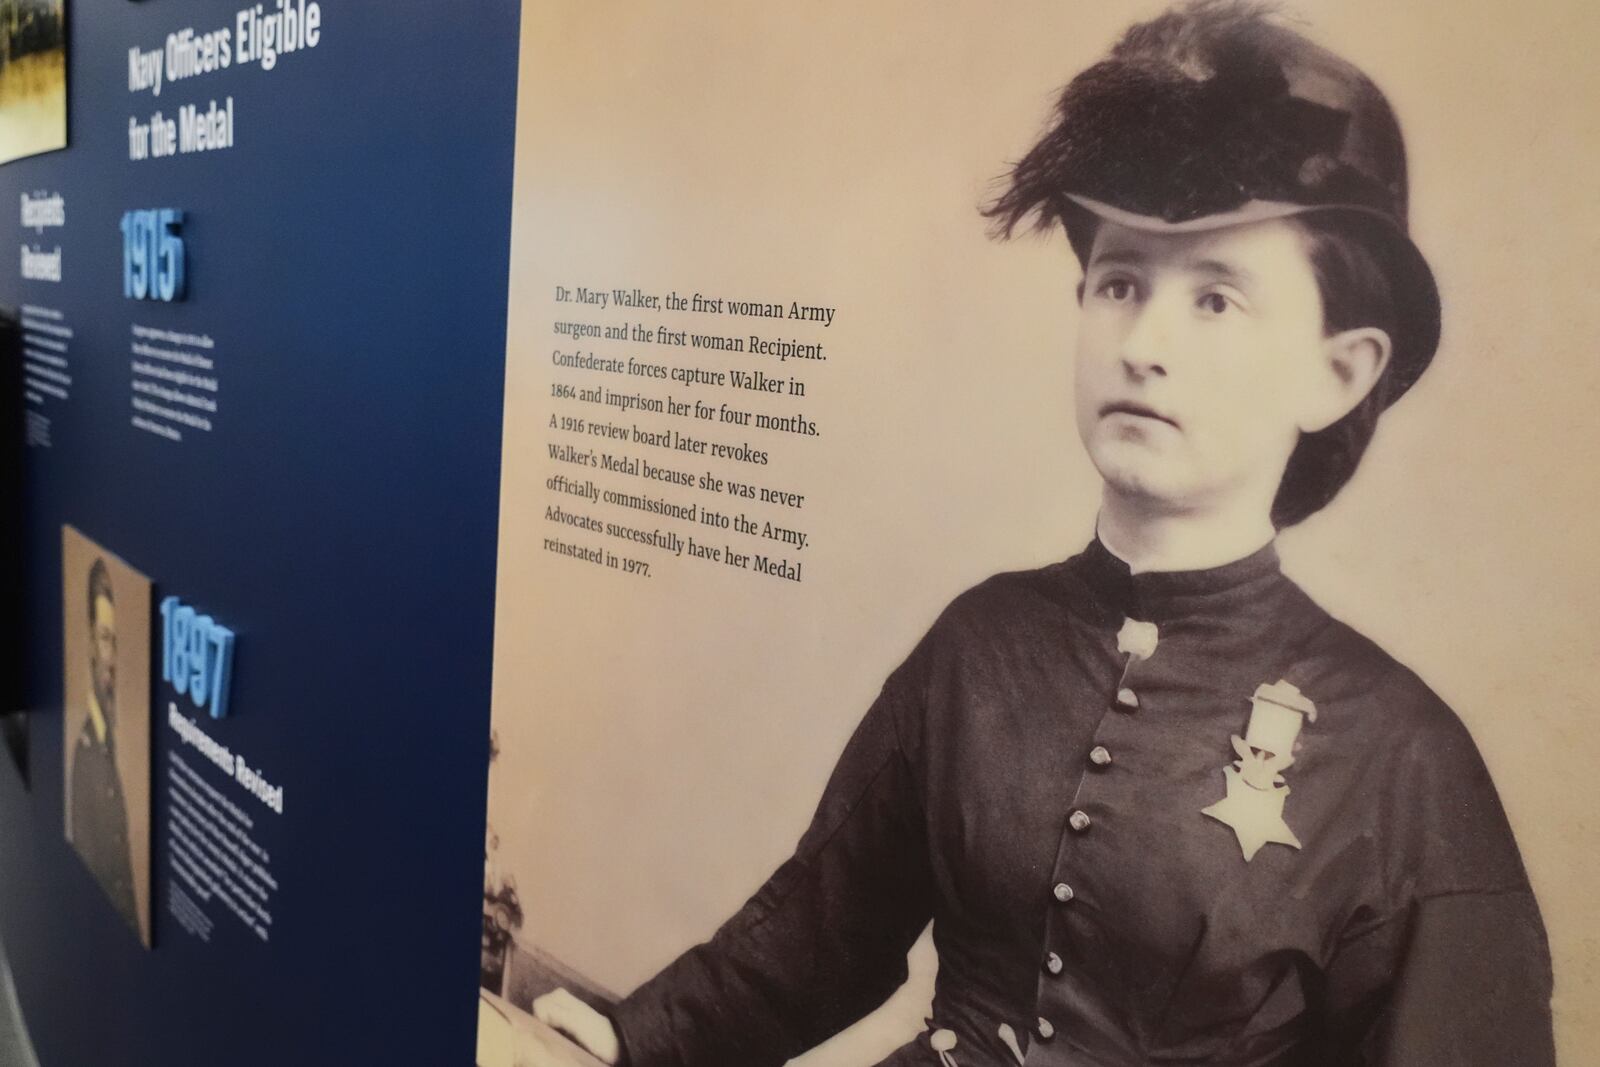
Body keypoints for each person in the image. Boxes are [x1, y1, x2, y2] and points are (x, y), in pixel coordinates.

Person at [524, 3, 1554, 1064]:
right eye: (1119, 282)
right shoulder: (985, 639)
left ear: (1337, 373)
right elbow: (819, 929)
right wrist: (634, 1038)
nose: (1144, 342)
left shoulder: (1404, 761)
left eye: (1215, 299)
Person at [67, 557, 139, 934]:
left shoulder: (107, 745)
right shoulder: (86, 755)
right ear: (91, 644)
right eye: (105, 639)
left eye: (117, 641)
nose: (111, 659)